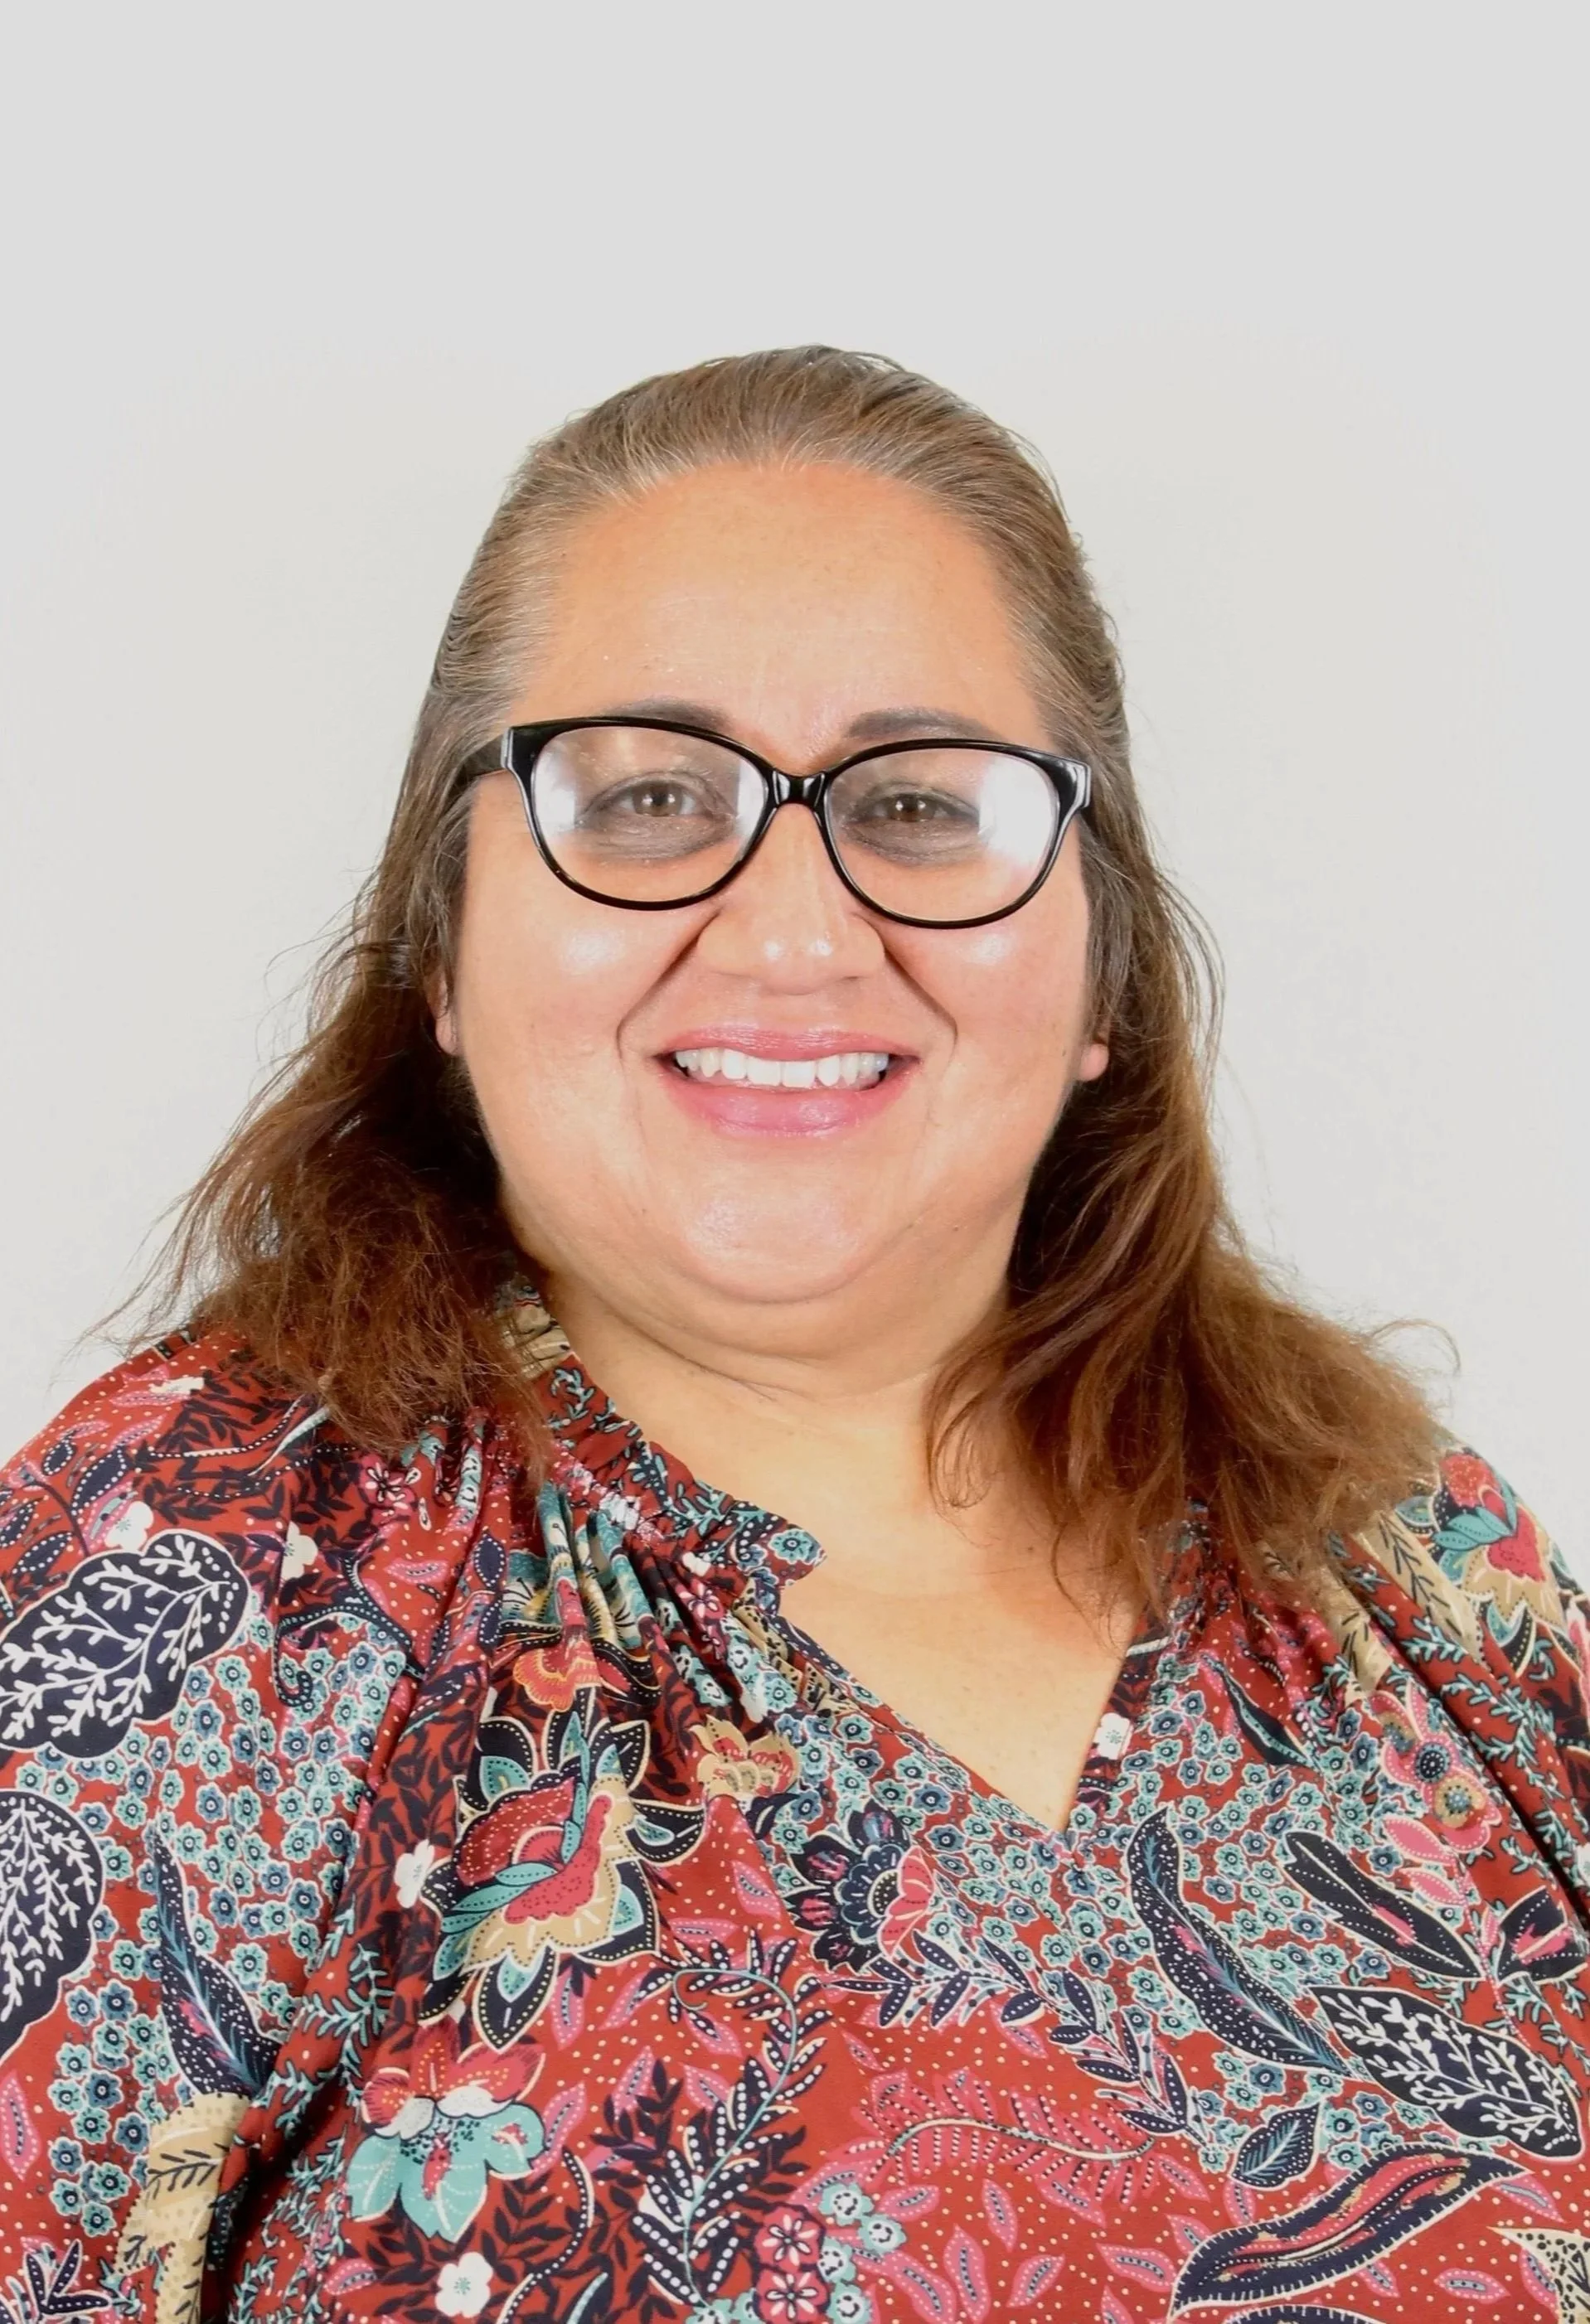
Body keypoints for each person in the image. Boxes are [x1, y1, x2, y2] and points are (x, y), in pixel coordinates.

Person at [1, 348, 1586, 2324]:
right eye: (650, 793)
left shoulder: (1412, 1567)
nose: (789, 930)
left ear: (1096, 960)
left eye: (918, 804)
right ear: (440, 941)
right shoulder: (194, 1581)